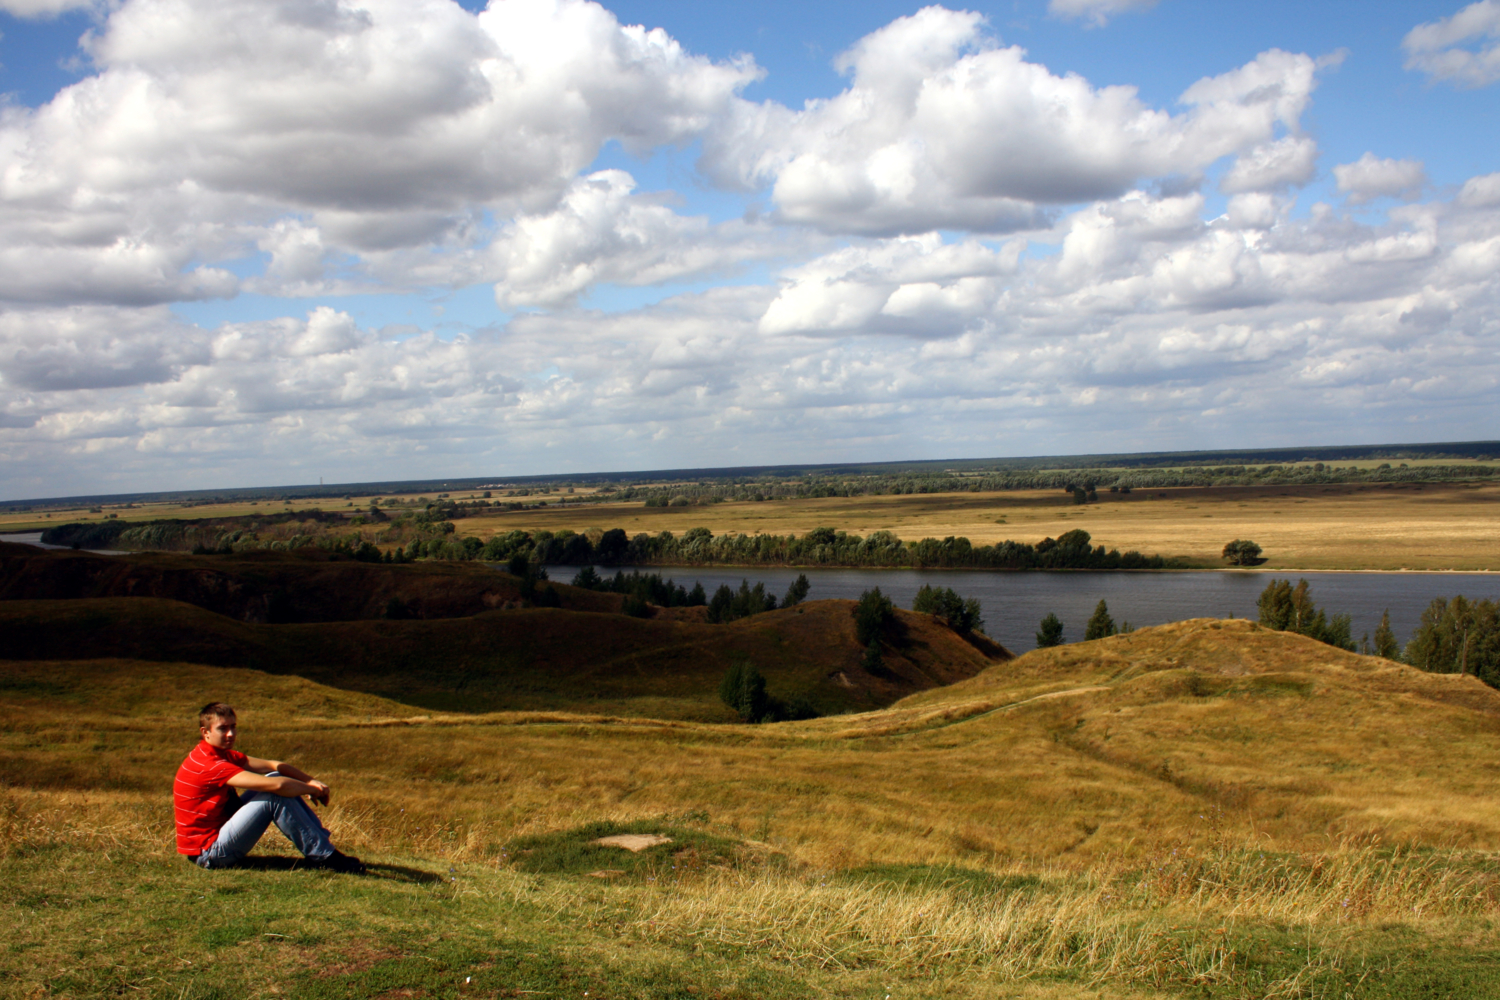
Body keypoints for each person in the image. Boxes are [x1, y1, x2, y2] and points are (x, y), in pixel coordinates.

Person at [174, 701, 365, 873]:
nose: (231, 734)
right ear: (205, 732)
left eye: (233, 727)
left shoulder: (219, 754)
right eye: (223, 729)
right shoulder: (210, 764)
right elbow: (279, 786)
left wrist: (309, 781)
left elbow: (275, 766)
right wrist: (313, 790)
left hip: (216, 836)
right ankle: (325, 857)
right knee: (275, 794)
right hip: (209, 854)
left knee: (275, 777)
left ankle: (324, 849)